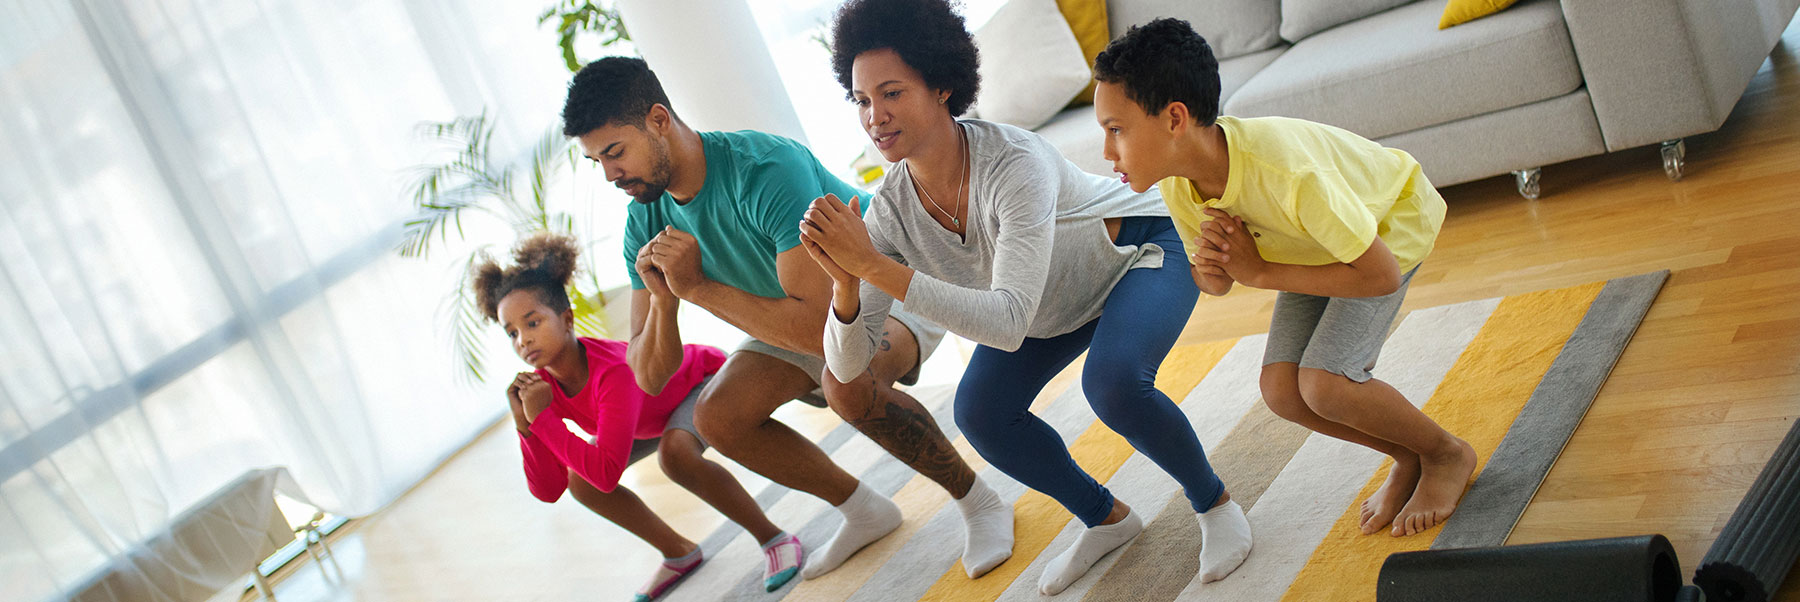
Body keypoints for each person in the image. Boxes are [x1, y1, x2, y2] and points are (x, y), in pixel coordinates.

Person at [801, 0, 1253, 593]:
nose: (874, 116)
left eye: (890, 93)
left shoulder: (1012, 162)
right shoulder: (890, 212)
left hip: (1137, 253)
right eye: (862, 101)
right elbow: (847, 366)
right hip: (1049, 305)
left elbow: (1008, 321)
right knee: (981, 413)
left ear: (941, 85)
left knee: (1112, 384)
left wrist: (873, 266)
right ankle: (1105, 518)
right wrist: (845, 280)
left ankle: (1215, 504)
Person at [561, 57, 1013, 580]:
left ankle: (980, 503)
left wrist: (699, 288)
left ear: (659, 120)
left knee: (846, 382)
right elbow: (648, 375)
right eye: (597, 161)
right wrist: (666, 301)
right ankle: (866, 511)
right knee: (717, 417)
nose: (611, 175)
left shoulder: (764, 169)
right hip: (797, 314)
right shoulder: (643, 217)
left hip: (887, 279)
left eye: (616, 152)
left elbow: (826, 335)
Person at [1089, 18, 1477, 538]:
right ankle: (1407, 454)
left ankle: (1446, 453)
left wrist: (1260, 270)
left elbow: (1380, 275)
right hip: (1313, 251)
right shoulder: (1181, 185)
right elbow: (1218, 283)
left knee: (1325, 383)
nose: (1107, 151)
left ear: (1174, 118)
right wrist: (1215, 271)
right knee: (1281, 390)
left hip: (1387, 231)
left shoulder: (1286, 172)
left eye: (1116, 129)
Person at [475, 233, 800, 600]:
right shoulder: (544, 388)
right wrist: (526, 427)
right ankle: (679, 552)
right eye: (512, 332)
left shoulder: (612, 371)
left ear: (566, 319)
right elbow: (550, 491)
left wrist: (543, 421)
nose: (523, 340)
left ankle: (774, 537)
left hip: (699, 383)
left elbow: (607, 471)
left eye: (532, 323)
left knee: (675, 454)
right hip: (645, 419)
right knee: (579, 481)